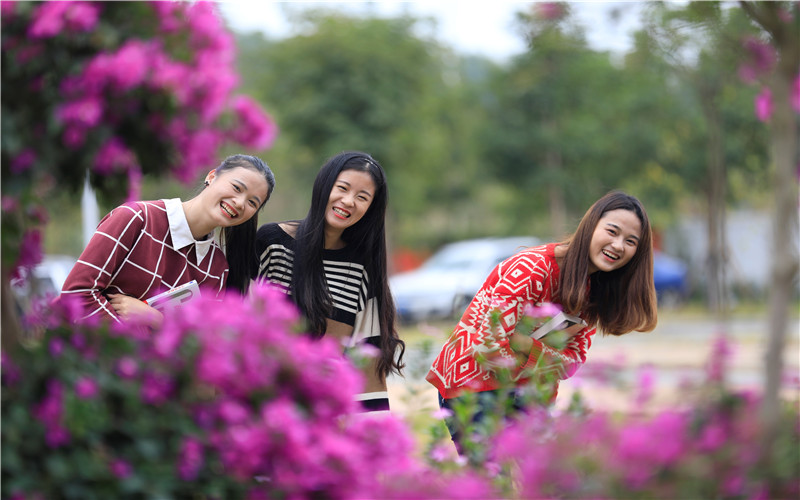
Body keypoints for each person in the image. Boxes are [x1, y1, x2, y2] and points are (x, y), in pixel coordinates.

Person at [426, 191, 658, 447]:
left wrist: (523, 344)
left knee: (548, 482)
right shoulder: (531, 269)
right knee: (493, 481)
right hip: (474, 388)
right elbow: (488, 349)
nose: (618, 245)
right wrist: (541, 361)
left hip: (531, 396)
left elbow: (571, 364)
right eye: (612, 231)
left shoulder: (595, 290)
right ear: (591, 226)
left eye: (631, 241)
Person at [255, 151, 405, 414]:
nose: (348, 201)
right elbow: (240, 320)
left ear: (371, 208)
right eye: (343, 188)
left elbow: (367, 362)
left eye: (362, 197)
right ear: (325, 186)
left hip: (321, 414)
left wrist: (372, 438)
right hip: (259, 401)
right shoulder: (272, 243)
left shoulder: (361, 269)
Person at [60, 154, 275, 326]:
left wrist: (155, 320)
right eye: (237, 188)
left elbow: (196, 342)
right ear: (212, 176)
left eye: (252, 203)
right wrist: (133, 337)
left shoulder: (217, 267)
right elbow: (77, 293)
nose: (239, 203)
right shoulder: (136, 218)